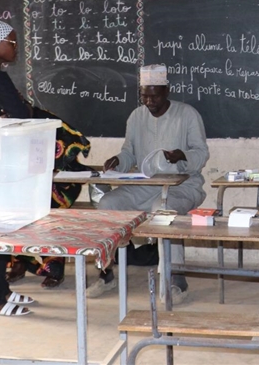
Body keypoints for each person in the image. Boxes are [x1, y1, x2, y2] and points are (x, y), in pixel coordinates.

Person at [0, 19, 92, 315]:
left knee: (4, 230)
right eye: (11, 42)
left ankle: (1, 291)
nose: (15, 47)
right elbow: (23, 112)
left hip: (1, 159)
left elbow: (18, 112)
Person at [87, 64, 209, 302]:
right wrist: (117, 162)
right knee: (108, 204)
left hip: (182, 186)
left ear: (167, 91)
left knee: (163, 212)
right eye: (145, 96)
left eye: (155, 96)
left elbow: (201, 154)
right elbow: (129, 153)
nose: (150, 101)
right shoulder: (136, 117)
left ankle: (176, 280)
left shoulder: (187, 115)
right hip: (144, 185)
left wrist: (181, 156)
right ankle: (106, 273)